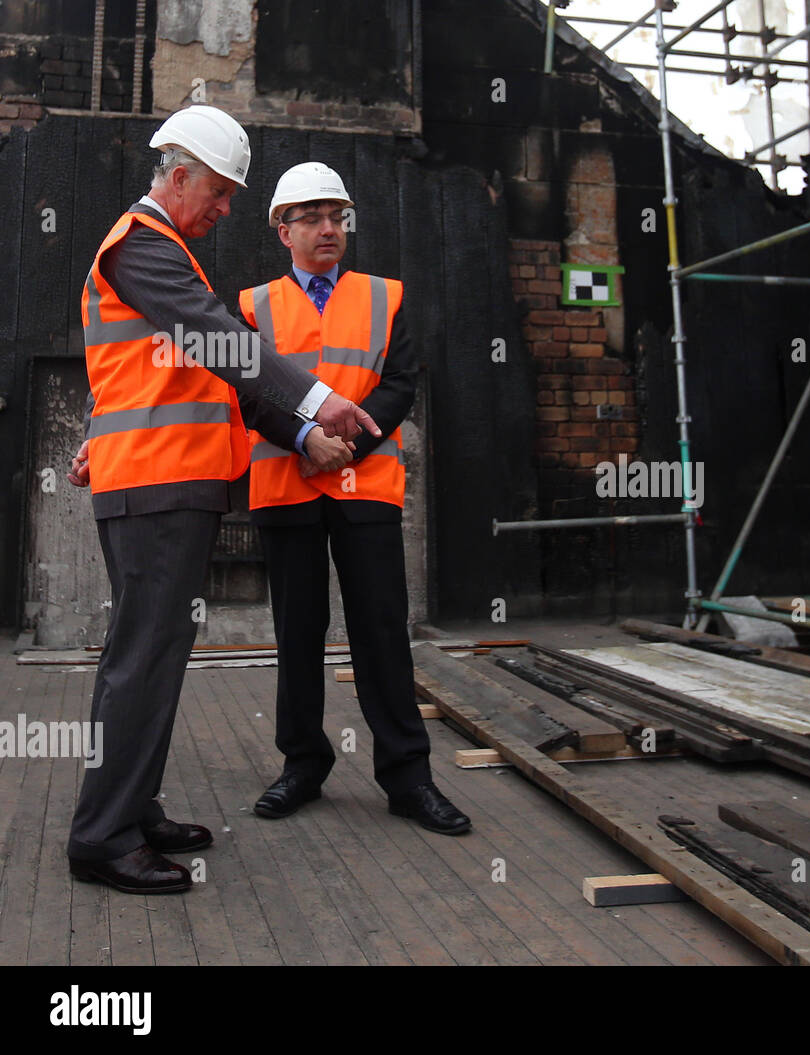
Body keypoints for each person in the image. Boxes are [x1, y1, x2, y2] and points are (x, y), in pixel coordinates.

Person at [68, 106, 382, 895]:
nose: (227, 207)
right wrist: (315, 400)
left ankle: (132, 807)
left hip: (165, 480)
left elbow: (165, 370)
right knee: (141, 658)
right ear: (177, 177)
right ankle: (103, 836)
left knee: (156, 654)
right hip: (154, 484)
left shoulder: (162, 250)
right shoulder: (142, 244)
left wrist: (299, 432)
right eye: (218, 191)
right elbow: (215, 336)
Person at [236, 162, 470, 836]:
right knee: (298, 634)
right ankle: (302, 766)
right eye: (312, 216)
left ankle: (408, 778)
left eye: (338, 216)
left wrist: (347, 447)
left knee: (380, 631)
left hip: (364, 484)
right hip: (286, 482)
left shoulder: (386, 296)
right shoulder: (252, 305)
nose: (329, 228)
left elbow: (399, 385)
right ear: (284, 229)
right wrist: (306, 437)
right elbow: (248, 393)